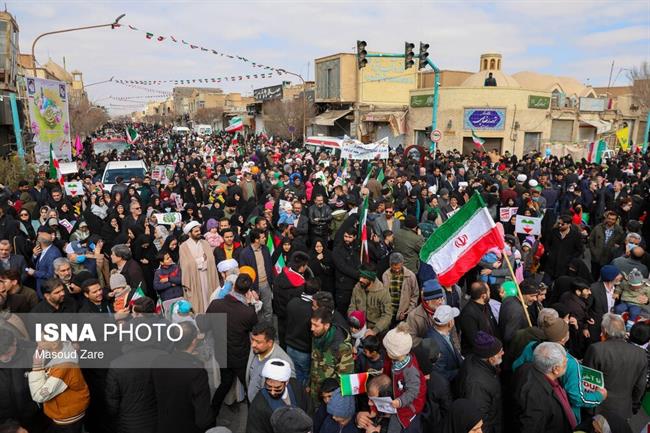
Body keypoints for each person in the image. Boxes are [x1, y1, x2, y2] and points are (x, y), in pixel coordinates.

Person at [198, 274, 258, 416]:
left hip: (222, 354)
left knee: (225, 382)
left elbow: (204, 326)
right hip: (240, 357)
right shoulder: (248, 312)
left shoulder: (215, 304)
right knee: (249, 385)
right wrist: (250, 304)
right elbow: (254, 329)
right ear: (248, 291)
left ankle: (213, 412)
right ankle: (254, 417)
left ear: (234, 286)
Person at [151, 322, 215, 433]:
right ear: (194, 341)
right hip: (187, 426)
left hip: (163, 424)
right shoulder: (196, 371)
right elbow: (203, 417)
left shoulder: (158, 360)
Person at [583, 313, 647, 420]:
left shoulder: (596, 349)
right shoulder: (640, 354)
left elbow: (587, 382)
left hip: (598, 408)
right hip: (623, 409)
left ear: (605, 331)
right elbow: (640, 386)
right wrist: (632, 403)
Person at [27, 340, 90, 433]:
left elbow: (39, 396)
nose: (37, 341)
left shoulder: (64, 367)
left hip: (67, 418)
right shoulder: (56, 353)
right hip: (63, 411)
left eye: (42, 340)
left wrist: (37, 366)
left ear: (54, 344)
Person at [512, 342, 574, 433]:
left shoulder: (524, 367)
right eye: (565, 363)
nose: (567, 364)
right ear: (555, 369)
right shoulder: (538, 401)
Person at [246, 358, 313, 433]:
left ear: (286, 382)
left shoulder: (296, 387)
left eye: (277, 388)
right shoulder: (259, 404)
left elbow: (309, 410)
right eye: (268, 386)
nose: (272, 392)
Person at [381, 322, 426, 432]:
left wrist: (400, 402)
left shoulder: (410, 371)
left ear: (395, 353)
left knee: (394, 427)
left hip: (408, 405)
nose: (386, 352)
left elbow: (413, 391)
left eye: (388, 350)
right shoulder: (397, 359)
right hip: (398, 394)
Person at [455, 331, 503, 433]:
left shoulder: (473, 359)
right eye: (499, 351)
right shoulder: (476, 385)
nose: (503, 353)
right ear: (490, 358)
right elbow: (480, 421)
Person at [309, 307, 354, 401]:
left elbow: (345, 380)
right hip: (315, 391)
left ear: (326, 326)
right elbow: (314, 362)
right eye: (312, 324)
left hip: (330, 398)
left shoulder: (341, 347)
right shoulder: (317, 337)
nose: (312, 328)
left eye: (316, 325)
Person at [247, 321, 296, 402]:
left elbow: (288, 392)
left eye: (258, 342)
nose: (253, 345)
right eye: (252, 340)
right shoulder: (256, 349)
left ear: (270, 343)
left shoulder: (284, 362)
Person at [179, 220, 219, 313]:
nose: (199, 233)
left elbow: (211, 260)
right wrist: (201, 260)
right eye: (196, 231)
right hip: (194, 278)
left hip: (207, 275)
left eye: (199, 230)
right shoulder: (183, 247)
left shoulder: (205, 243)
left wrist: (202, 262)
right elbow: (186, 264)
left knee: (209, 298)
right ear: (189, 233)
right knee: (197, 303)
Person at [285, 279, 320, 386]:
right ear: (317, 292)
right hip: (304, 351)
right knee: (304, 379)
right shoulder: (313, 311)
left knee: (293, 376)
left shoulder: (292, 302)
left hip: (290, 347)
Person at [273, 251, 309, 348]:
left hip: (280, 317)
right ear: (301, 267)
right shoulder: (300, 286)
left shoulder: (279, 277)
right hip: (292, 319)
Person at [239, 228, 274, 322]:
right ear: (256, 240)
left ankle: (268, 332)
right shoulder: (245, 254)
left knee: (268, 310)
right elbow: (244, 273)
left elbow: (269, 266)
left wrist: (271, 282)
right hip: (253, 287)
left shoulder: (265, 249)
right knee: (255, 312)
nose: (265, 239)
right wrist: (250, 290)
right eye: (262, 237)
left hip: (266, 284)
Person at [347, 266, 393, 336]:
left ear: (371, 279)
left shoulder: (383, 292)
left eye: (364, 278)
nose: (360, 280)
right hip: (359, 327)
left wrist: (375, 330)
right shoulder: (357, 288)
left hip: (377, 330)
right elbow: (352, 306)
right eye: (360, 276)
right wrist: (354, 323)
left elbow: (387, 315)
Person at [458, 281, 499, 355]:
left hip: (490, 349)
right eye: (488, 292)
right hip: (478, 355)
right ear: (483, 296)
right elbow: (474, 340)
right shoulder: (468, 315)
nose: (490, 294)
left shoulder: (486, 304)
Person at [498, 278, 538, 347]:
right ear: (522, 294)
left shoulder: (509, 299)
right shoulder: (517, 311)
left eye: (536, 295)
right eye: (532, 296)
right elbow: (509, 337)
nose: (535, 299)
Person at [406, 279, 446, 347]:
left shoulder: (445, 309)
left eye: (441, 298)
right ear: (428, 301)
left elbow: (453, 333)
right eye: (437, 298)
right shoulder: (413, 316)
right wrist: (431, 342)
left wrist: (457, 350)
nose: (441, 301)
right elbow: (411, 339)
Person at [382, 252, 419, 324]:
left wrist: (408, 312)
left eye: (398, 268)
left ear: (402, 264)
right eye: (394, 268)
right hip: (389, 313)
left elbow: (415, 295)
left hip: (404, 315)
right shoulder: (385, 275)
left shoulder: (410, 276)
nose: (397, 270)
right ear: (390, 265)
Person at [429, 305, 463, 381]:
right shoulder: (435, 346)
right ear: (450, 323)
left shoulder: (445, 332)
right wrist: (463, 371)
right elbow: (440, 374)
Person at [26, 226, 62, 298]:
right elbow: (36, 265)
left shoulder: (54, 253)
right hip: (40, 288)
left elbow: (51, 275)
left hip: (49, 290)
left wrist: (34, 273)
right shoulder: (39, 249)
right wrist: (34, 256)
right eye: (40, 234)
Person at [588, 211, 625, 281]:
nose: (610, 220)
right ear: (606, 218)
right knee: (593, 276)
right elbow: (591, 240)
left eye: (613, 219)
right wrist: (594, 252)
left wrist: (615, 249)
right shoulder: (598, 227)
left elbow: (622, 244)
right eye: (609, 218)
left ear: (616, 220)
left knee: (605, 278)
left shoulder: (619, 231)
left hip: (608, 258)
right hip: (596, 258)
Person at [332, 228, 360, 314]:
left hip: (355, 285)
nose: (347, 239)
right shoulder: (337, 250)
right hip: (343, 286)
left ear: (354, 237)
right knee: (342, 311)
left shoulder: (358, 248)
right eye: (345, 236)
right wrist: (358, 275)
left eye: (350, 237)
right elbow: (342, 267)